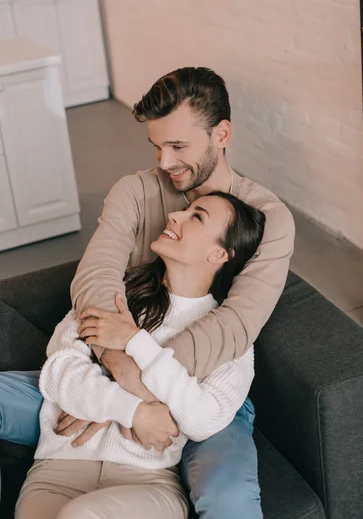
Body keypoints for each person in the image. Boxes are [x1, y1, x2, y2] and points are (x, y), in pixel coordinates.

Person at [1, 67, 295, 518]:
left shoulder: (266, 218)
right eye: (157, 145)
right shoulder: (135, 192)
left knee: (229, 500)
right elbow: (95, 278)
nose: (164, 161)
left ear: (221, 134)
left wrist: (135, 391)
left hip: (198, 386)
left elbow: (234, 327)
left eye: (178, 146)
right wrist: (119, 383)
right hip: (102, 363)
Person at [16, 192, 265, 519]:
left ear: (219, 253)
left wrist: (135, 342)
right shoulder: (114, 294)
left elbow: (204, 418)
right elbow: (60, 372)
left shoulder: (226, 336)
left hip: (146, 483)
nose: (175, 215)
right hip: (55, 470)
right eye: (185, 209)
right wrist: (136, 412)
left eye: (197, 217)